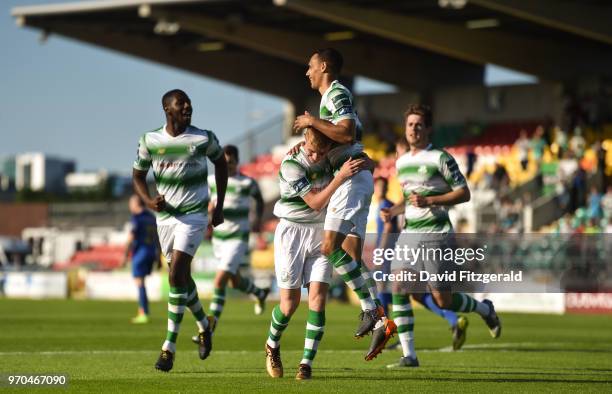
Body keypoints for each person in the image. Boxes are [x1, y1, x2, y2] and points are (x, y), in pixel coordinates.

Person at [293, 48, 396, 360]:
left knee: (329, 247)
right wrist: (312, 139)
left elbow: (347, 131)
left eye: (310, 66)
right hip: (355, 177)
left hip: (350, 180)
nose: (307, 72)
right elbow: (347, 137)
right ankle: (378, 317)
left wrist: (312, 121)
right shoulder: (334, 99)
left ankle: (373, 312)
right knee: (350, 253)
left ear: (323, 66)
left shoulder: (335, 93)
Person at [381, 104, 501, 368]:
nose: (414, 129)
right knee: (399, 286)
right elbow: (410, 199)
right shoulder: (401, 162)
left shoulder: (440, 158)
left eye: (419, 124)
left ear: (428, 129)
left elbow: (464, 193)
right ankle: (409, 355)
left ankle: (485, 309)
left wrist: (432, 199)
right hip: (410, 233)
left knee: (442, 299)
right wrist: (394, 211)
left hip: (437, 235)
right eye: (410, 124)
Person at [133, 89, 228, 372]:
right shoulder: (149, 140)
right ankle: (204, 324)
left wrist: (218, 205)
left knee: (176, 275)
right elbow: (138, 176)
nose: (188, 106)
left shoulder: (203, 138)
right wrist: (150, 201)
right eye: (181, 103)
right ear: (167, 109)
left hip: (194, 216)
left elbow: (221, 164)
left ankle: (168, 348)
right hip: (166, 219)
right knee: (182, 280)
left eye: (189, 103)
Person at [265, 127, 366, 380]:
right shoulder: (291, 165)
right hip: (292, 233)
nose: (314, 157)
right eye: (310, 151)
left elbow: (362, 156)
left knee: (319, 299)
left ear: (328, 149)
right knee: (289, 305)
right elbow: (315, 202)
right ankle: (272, 345)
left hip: (321, 233)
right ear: (304, 143)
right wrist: (340, 177)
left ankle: (306, 363)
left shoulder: (330, 157)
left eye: (320, 153)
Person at [190, 145, 269, 344]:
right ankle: (259, 293)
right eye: (224, 162)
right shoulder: (211, 181)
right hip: (219, 238)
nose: (228, 165)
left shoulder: (247, 182)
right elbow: (205, 203)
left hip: (238, 237)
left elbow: (259, 200)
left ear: (237, 161)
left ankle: (208, 329)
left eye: (231, 162)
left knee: (219, 281)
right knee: (234, 281)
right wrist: (208, 209)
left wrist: (257, 220)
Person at [122, 194, 160, 324]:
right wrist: (159, 257)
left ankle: (143, 312)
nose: (129, 206)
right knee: (142, 282)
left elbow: (131, 238)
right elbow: (157, 238)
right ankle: (143, 311)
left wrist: (124, 255)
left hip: (140, 253)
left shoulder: (136, 218)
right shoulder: (151, 217)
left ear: (135, 204)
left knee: (140, 282)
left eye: (130, 203)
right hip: (151, 252)